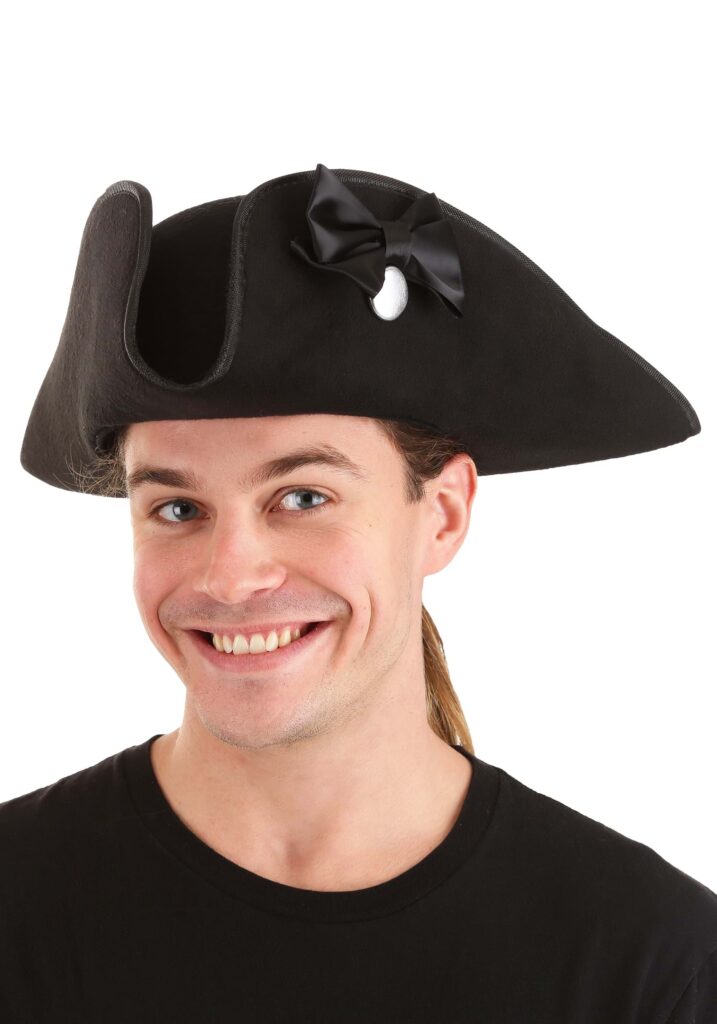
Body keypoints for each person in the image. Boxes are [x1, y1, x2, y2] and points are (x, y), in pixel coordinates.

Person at [2, 163, 715, 1022]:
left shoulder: (649, 964)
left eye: (303, 497)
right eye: (177, 508)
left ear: (442, 514)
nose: (230, 575)